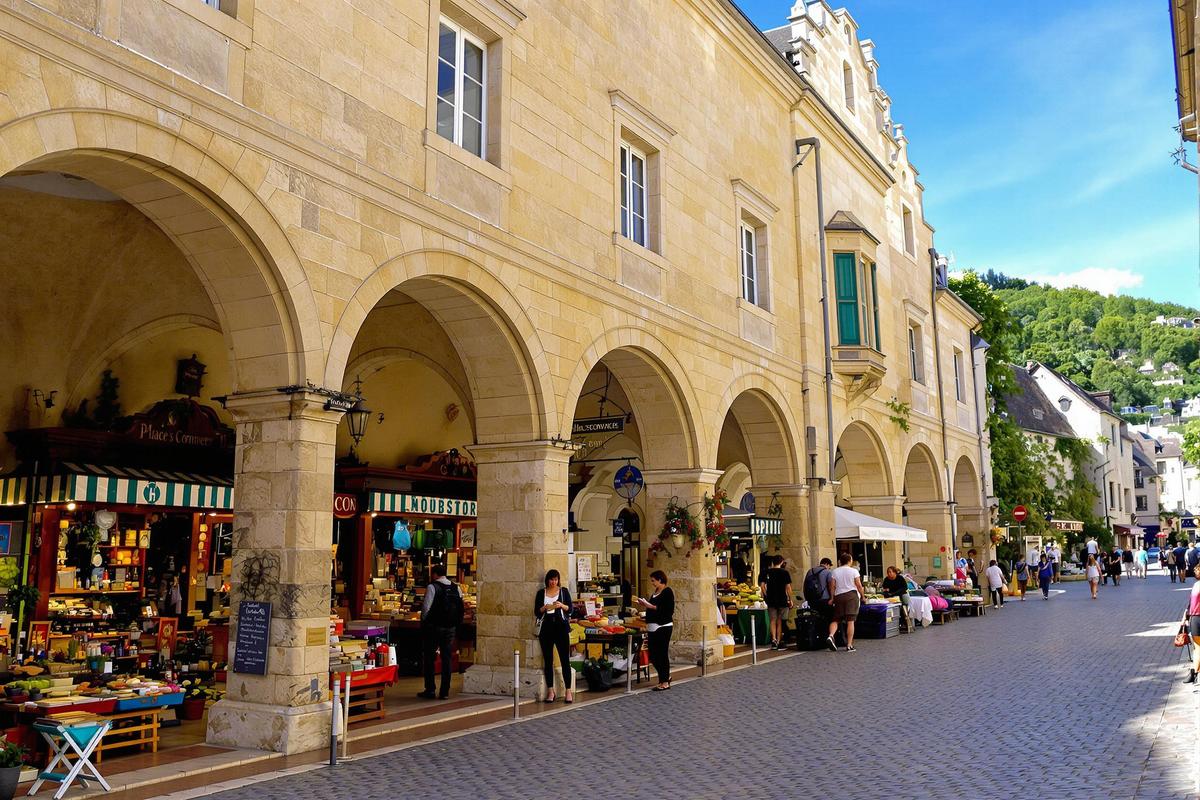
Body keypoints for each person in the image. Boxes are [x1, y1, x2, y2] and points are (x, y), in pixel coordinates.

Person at [418, 564, 460, 700]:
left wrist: (425, 621)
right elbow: (460, 606)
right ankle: (445, 691)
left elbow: (426, 608)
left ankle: (430, 689)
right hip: (450, 627)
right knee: (447, 658)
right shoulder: (456, 587)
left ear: (435, 574)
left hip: (434, 627)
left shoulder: (432, 587)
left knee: (430, 657)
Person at [533, 569, 573, 703]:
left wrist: (561, 605)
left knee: (565, 660)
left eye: (555, 579)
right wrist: (544, 608)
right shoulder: (541, 593)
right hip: (546, 629)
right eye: (551, 579)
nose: (553, 582)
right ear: (547, 580)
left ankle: (568, 690)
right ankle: (550, 690)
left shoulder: (563, 591)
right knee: (548, 660)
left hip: (561, 628)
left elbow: (571, 609)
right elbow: (536, 612)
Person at [637, 570, 674, 691]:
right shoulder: (654, 593)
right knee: (653, 654)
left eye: (653, 580)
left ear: (660, 580)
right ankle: (665, 676)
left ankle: (664, 681)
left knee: (662, 654)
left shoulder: (667, 592)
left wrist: (650, 606)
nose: (652, 583)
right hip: (652, 626)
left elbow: (667, 609)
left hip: (663, 626)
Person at [826, 552, 865, 652]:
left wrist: (832, 598)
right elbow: (859, 585)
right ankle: (849, 645)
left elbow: (832, 586)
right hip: (851, 596)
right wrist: (863, 597)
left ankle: (831, 635)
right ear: (849, 561)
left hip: (839, 596)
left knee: (836, 619)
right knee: (850, 620)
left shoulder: (835, 571)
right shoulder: (854, 571)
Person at [759, 554, 793, 650]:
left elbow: (762, 586)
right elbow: (788, 587)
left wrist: (766, 595)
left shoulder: (766, 572)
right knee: (780, 621)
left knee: (772, 620)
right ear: (782, 562)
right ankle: (778, 640)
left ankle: (773, 640)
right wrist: (790, 599)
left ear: (772, 562)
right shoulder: (785, 573)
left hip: (771, 599)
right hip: (782, 599)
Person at [803, 557, 834, 635]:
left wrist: (807, 598)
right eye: (829, 566)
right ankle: (826, 636)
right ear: (827, 564)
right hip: (824, 599)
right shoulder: (827, 572)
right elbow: (831, 587)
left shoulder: (810, 571)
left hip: (812, 600)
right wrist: (832, 598)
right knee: (827, 618)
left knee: (815, 619)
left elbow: (805, 586)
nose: (829, 568)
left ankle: (816, 636)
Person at [1186, 564, 1200, 684]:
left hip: (1196, 618)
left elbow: (1190, 604)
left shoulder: (1196, 585)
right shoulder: (1195, 585)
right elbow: (1190, 603)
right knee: (1197, 648)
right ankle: (1195, 672)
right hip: (1195, 618)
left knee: (1198, 649)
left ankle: (1195, 673)